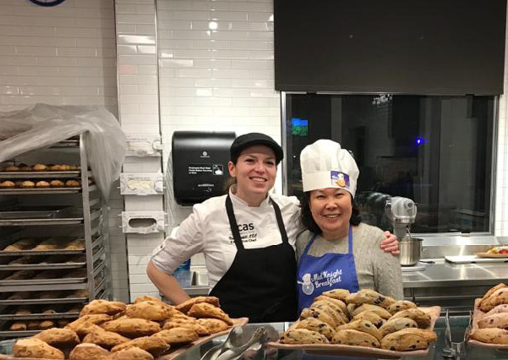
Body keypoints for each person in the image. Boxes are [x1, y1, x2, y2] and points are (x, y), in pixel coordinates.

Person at [147, 133, 398, 323]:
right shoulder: (208, 214)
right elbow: (157, 268)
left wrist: (382, 239)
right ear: (232, 168)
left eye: (269, 162)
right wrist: (198, 316)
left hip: (285, 339)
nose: (260, 169)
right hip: (228, 341)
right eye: (250, 160)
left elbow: (333, 222)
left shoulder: (289, 209)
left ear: (275, 172)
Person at [295, 139, 404, 360]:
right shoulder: (302, 242)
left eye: (338, 195)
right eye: (320, 196)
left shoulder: (377, 240)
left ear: (351, 200)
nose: (330, 204)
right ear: (309, 203)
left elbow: (397, 318)